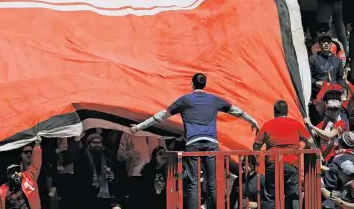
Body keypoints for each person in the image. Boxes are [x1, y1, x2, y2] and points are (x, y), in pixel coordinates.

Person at [130, 73, 260, 209]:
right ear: (205, 85)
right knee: (213, 183)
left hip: (193, 144)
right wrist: (253, 121)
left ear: (192, 84)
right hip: (211, 144)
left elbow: (161, 116)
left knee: (194, 184)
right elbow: (236, 111)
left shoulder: (184, 100)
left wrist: (139, 127)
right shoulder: (214, 99)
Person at [253, 100, 318, 209]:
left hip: (273, 164)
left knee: (270, 196)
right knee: (293, 196)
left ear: (274, 112)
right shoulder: (296, 124)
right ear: (287, 112)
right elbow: (311, 142)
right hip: (292, 163)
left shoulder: (268, 125)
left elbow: (255, 147)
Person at [0, 139, 43, 209]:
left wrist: (37, 146)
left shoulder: (29, 179)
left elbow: (36, 164)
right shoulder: (0, 191)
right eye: (13, 172)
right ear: (8, 175)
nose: (16, 174)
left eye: (18, 171)